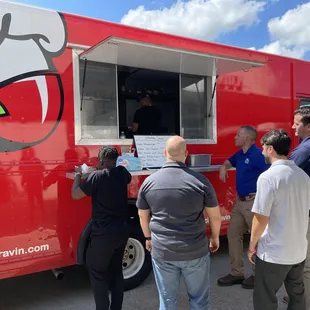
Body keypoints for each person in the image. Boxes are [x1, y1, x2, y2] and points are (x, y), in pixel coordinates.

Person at [137, 135, 222, 310]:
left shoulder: (149, 182)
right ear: (186, 154)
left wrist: (148, 238)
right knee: (199, 300)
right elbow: (215, 216)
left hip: (163, 251)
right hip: (195, 250)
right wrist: (214, 237)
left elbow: (142, 215)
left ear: (164, 153)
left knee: (167, 301)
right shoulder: (200, 182)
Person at [248, 129, 310, 310]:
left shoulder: (268, 178)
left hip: (274, 253)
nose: (261, 152)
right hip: (298, 251)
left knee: (264, 298)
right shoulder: (303, 176)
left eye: (263, 148)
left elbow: (260, 217)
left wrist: (252, 245)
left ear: (270, 149)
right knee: (297, 297)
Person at [71, 146, 131, 310]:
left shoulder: (97, 177)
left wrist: (78, 174)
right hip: (122, 232)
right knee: (117, 273)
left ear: (101, 161)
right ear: (116, 160)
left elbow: (75, 194)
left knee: (98, 273)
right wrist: (101, 168)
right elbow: (119, 175)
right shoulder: (122, 173)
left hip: (103, 235)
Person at [217, 126, 270, 289]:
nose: (234, 138)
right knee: (233, 234)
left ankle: (258, 275)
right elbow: (228, 162)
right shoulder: (240, 154)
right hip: (240, 203)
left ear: (247, 139)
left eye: (238, 135)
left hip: (253, 202)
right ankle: (236, 273)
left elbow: (271, 175)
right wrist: (223, 167)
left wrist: (262, 196)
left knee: (259, 239)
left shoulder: (258, 155)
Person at [283, 106, 310, 306]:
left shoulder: (303, 150)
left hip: (305, 211)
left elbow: (285, 175)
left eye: (297, 123)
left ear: (308, 127)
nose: (292, 126)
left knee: (305, 262)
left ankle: (303, 300)